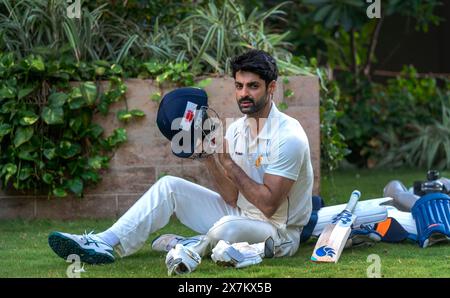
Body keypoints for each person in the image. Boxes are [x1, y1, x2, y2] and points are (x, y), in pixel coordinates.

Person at [48, 49, 314, 275]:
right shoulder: (237, 130)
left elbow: (268, 206)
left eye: (253, 86)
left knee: (226, 227)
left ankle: (190, 244)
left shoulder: (288, 136)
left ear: (272, 88)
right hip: (241, 215)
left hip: (276, 232)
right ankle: (104, 242)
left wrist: (230, 164)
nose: (244, 93)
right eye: (239, 85)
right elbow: (232, 197)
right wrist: (210, 157)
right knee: (169, 186)